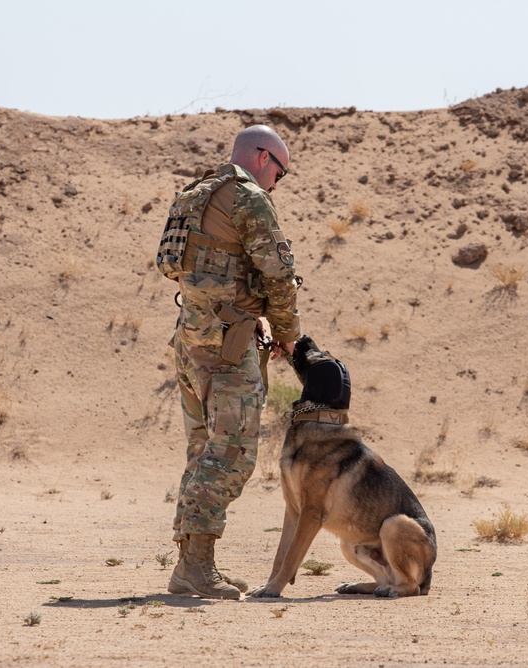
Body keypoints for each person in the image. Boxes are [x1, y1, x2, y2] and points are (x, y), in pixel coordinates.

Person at [156, 124, 300, 599]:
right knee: (232, 454)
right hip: (226, 347)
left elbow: (184, 270)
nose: (278, 182)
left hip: (191, 339)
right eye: (280, 171)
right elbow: (279, 278)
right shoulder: (249, 197)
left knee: (204, 453)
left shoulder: (195, 194)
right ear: (263, 158)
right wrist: (288, 336)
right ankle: (196, 565)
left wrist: (244, 309)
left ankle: (191, 566)